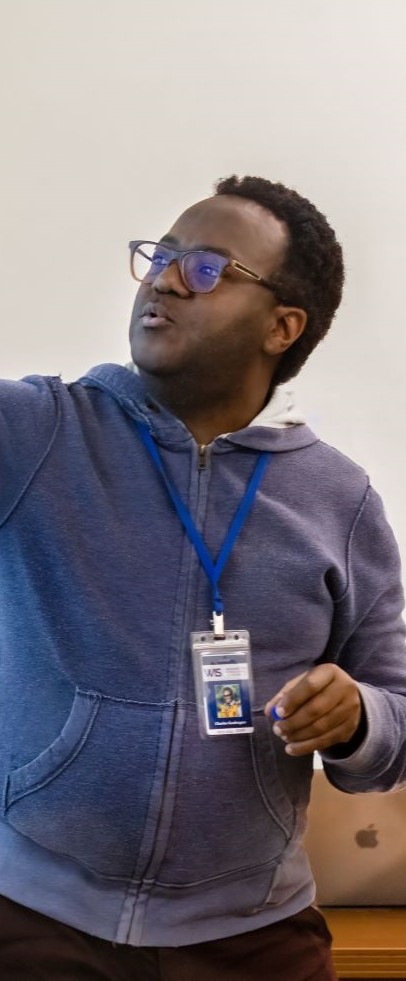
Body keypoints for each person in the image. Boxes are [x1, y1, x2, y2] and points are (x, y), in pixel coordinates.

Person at [0, 174, 405, 981]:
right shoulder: (36, 433)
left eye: (209, 267)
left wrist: (359, 715)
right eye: (162, 256)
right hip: (34, 914)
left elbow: (396, 719)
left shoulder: (340, 500)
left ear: (282, 326)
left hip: (252, 933)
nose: (166, 277)